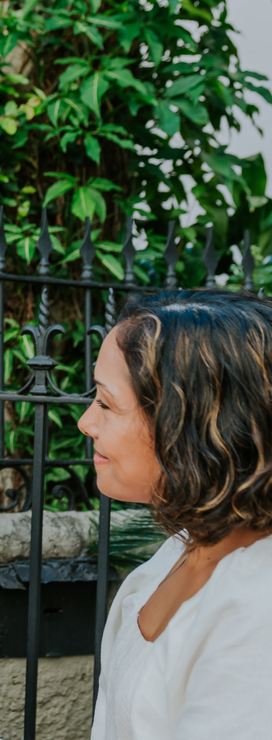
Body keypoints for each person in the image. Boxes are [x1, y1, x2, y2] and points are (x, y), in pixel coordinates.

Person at [81, 289, 272, 739]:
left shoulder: (257, 613)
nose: (86, 422)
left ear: (190, 425)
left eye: (106, 403)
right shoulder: (184, 546)